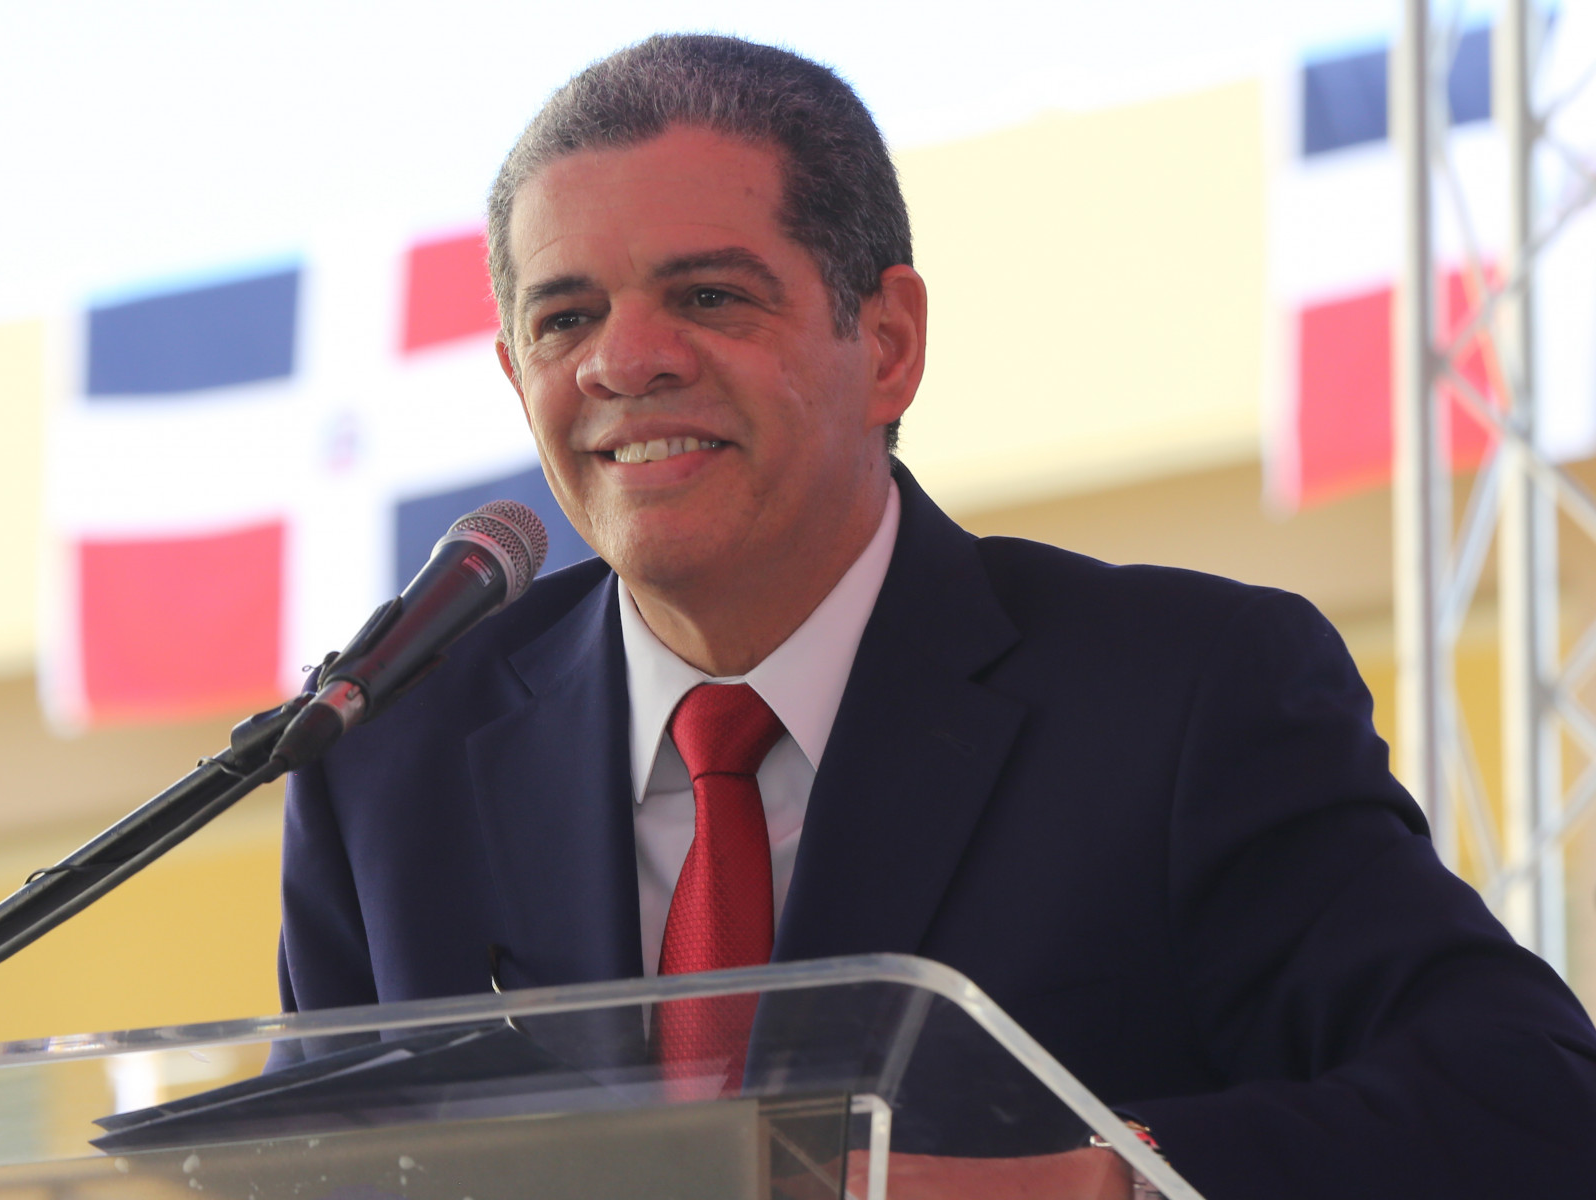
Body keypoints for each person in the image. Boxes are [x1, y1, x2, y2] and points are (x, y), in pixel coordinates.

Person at [279, 33, 1596, 1197]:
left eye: (709, 296)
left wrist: (1098, 1184)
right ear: (518, 376)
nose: (624, 362)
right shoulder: (386, 762)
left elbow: (1534, 1103)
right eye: (567, 318)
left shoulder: (1187, 697)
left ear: (889, 343)